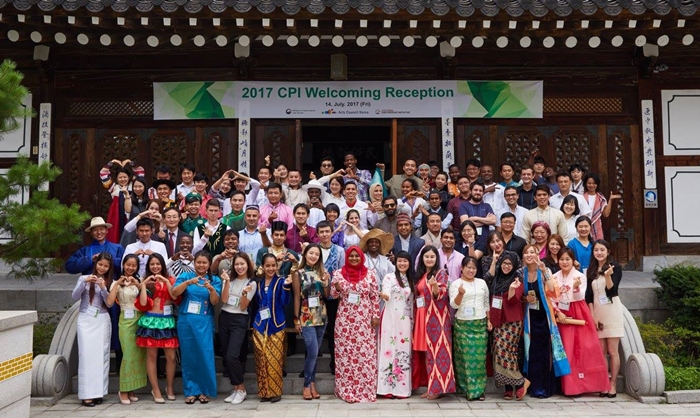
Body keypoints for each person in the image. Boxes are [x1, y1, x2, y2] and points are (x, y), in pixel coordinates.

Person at [553, 247, 610, 396]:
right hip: (561, 313)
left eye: (568, 259)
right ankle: (570, 387)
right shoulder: (554, 277)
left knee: (584, 347)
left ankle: (587, 384)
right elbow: (551, 297)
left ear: (573, 261)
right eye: (562, 259)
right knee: (567, 348)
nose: (564, 262)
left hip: (577, 310)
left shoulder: (580, 276)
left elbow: (579, 298)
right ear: (558, 260)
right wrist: (558, 312)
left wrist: (576, 288)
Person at [331, 246, 380, 403]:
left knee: (364, 355)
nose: (353, 258)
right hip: (345, 320)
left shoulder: (370, 274)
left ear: (361, 257)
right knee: (346, 354)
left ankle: (365, 390)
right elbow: (333, 295)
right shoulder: (338, 274)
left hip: (364, 319)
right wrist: (337, 288)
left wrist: (375, 316)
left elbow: (374, 297)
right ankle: (346, 390)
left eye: (356, 256)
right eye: (351, 256)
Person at [172, 251, 221, 404]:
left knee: (204, 355)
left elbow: (214, 301)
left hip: (204, 321)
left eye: (204, 262)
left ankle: (204, 391)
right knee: (189, 356)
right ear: (194, 263)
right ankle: (191, 391)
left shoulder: (215, 280)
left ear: (209, 264)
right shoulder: (186, 276)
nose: (201, 265)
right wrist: (188, 283)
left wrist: (211, 289)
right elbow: (174, 293)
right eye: (198, 262)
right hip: (186, 321)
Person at [520, 245, 569, 399]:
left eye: (532, 252)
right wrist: (524, 298)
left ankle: (545, 388)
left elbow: (554, 292)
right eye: (526, 252)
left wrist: (544, 272)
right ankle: (534, 386)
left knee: (545, 351)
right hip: (530, 317)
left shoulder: (545, 271)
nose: (529, 255)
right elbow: (519, 295)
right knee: (532, 351)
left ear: (538, 255)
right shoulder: (522, 273)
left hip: (545, 317)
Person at [484, 251, 529, 401]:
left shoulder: (518, 280)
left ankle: (521, 381)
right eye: (504, 263)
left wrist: (511, 288)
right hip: (498, 319)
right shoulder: (496, 279)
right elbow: (487, 282)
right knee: (499, 351)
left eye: (509, 264)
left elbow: (512, 300)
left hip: (512, 321)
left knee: (506, 350)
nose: (506, 266)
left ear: (515, 265)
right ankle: (509, 388)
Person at [412, 246, 455, 400]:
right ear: (422, 258)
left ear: (437, 258)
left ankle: (438, 388)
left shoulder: (440, 274)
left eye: (432, 256)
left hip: (437, 318)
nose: (429, 259)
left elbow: (441, 294)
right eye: (426, 256)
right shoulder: (421, 275)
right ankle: (431, 386)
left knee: (438, 352)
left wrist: (435, 286)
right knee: (427, 351)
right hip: (423, 315)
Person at [134, 253, 179, 403]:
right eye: (152, 264)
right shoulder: (145, 281)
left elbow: (175, 297)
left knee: (171, 357)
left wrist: (166, 281)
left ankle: (170, 387)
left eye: (158, 264)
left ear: (162, 265)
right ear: (148, 266)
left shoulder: (170, 279)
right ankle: (156, 389)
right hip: (151, 320)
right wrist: (144, 284)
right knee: (152, 356)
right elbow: (142, 303)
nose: (155, 267)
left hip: (167, 321)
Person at [72, 252, 113, 407]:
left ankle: (99, 392)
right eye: (100, 264)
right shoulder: (83, 278)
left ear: (109, 268)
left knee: (101, 356)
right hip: (86, 319)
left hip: (102, 319)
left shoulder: (110, 281)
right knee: (86, 355)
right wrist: (85, 282)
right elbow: (74, 296)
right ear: (95, 263)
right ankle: (86, 395)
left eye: (106, 266)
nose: (102, 268)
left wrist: (103, 287)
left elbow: (109, 304)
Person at [106, 255, 146, 405]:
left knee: (137, 356)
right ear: (123, 265)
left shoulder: (140, 280)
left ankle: (131, 388)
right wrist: (117, 285)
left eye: (133, 266)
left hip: (139, 319)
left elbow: (143, 301)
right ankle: (123, 390)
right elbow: (109, 303)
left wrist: (139, 285)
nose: (130, 268)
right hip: (125, 320)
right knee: (127, 355)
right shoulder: (116, 282)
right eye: (128, 265)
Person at [586, 240, 625, 398]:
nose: (599, 252)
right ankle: (604, 383)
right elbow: (588, 296)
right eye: (596, 250)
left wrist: (608, 276)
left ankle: (613, 384)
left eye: (602, 250)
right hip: (598, 311)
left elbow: (612, 290)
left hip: (612, 310)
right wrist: (592, 316)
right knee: (601, 351)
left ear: (608, 251)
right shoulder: (592, 269)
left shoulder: (615, 266)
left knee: (612, 351)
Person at [292, 244, 331, 400]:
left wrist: (326, 281)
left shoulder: (321, 272)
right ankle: (307, 384)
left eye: (316, 254)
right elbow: (296, 297)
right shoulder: (298, 273)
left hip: (321, 316)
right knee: (313, 351)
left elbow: (327, 295)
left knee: (313, 354)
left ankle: (312, 383)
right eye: (311, 253)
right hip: (306, 316)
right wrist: (296, 319)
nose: (314, 256)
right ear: (305, 254)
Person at [449, 256, 490, 401]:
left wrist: (489, 320)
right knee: (464, 359)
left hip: (480, 323)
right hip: (463, 324)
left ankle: (479, 391)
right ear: (462, 268)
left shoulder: (482, 283)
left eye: (474, 268)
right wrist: (460, 293)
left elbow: (486, 303)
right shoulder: (456, 284)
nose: (471, 270)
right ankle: (465, 389)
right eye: (468, 267)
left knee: (479, 359)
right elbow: (454, 305)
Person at [253, 253, 292, 402]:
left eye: (273, 265)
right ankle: (264, 392)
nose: (270, 268)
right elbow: (257, 302)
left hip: (276, 325)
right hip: (260, 325)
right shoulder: (259, 283)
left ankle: (275, 392)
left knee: (274, 359)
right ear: (263, 267)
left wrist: (287, 287)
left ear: (277, 266)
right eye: (267, 265)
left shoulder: (281, 282)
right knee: (261, 358)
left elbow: (284, 301)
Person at [220, 253, 257, 404]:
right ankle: (235, 388)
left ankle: (241, 389)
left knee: (232, 356)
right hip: (224, 317)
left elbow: (242, 307)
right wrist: (227, 282)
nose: (240, 267)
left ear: (248, 265)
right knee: (226, 355)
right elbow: (223, 300)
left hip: (239, 320)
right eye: (237, 264)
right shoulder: (229, 279)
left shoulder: (251, 283)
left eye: (242, 264)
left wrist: (244, 293)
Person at [377, 251, 414, 399]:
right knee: (388, 348)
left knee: (403, 350)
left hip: (405, 319)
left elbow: (411, 302)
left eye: (405, 261)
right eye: (400, 261)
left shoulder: (411, 280)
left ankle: (401, 389)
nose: (402, 264)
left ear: (409, 263)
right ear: (395, 262)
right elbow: (385, 291)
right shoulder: (389, 277)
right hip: (390, 316)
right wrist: (384, 295)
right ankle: (386, 388)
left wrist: (412, 320)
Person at [316, 220, 345, 375]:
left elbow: (341, 272)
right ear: (318, 234)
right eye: (322, 232)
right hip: (316, 294)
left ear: (332, 232)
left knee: (334, 328)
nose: (325, 234)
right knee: (315, 328)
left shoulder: (340, 250)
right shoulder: (313, 249)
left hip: (334, 295)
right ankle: (311, 364)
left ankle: (335, 362)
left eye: (327, 231)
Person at [100, 159, 145, 243]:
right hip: (116, 215)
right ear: (116, 179)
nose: (122, 179)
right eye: (120, 177)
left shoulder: (133, 186)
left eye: (125, 177)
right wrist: (112, 162)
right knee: (115, 235)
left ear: (129, 177)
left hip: (132, 214)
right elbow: (103, 175)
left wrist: (130, 162)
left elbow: (140, 172)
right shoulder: (113, 187)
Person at [583, 173, 622, 241]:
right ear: (585, 184)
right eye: (589, 183)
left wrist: (610, 200)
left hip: (597, 227)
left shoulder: (601, 198)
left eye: (594, 183)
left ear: (597, 184)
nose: (591, 185)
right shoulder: (581, 197)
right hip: (583, 226)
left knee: (598, 247)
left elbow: (606, 214)